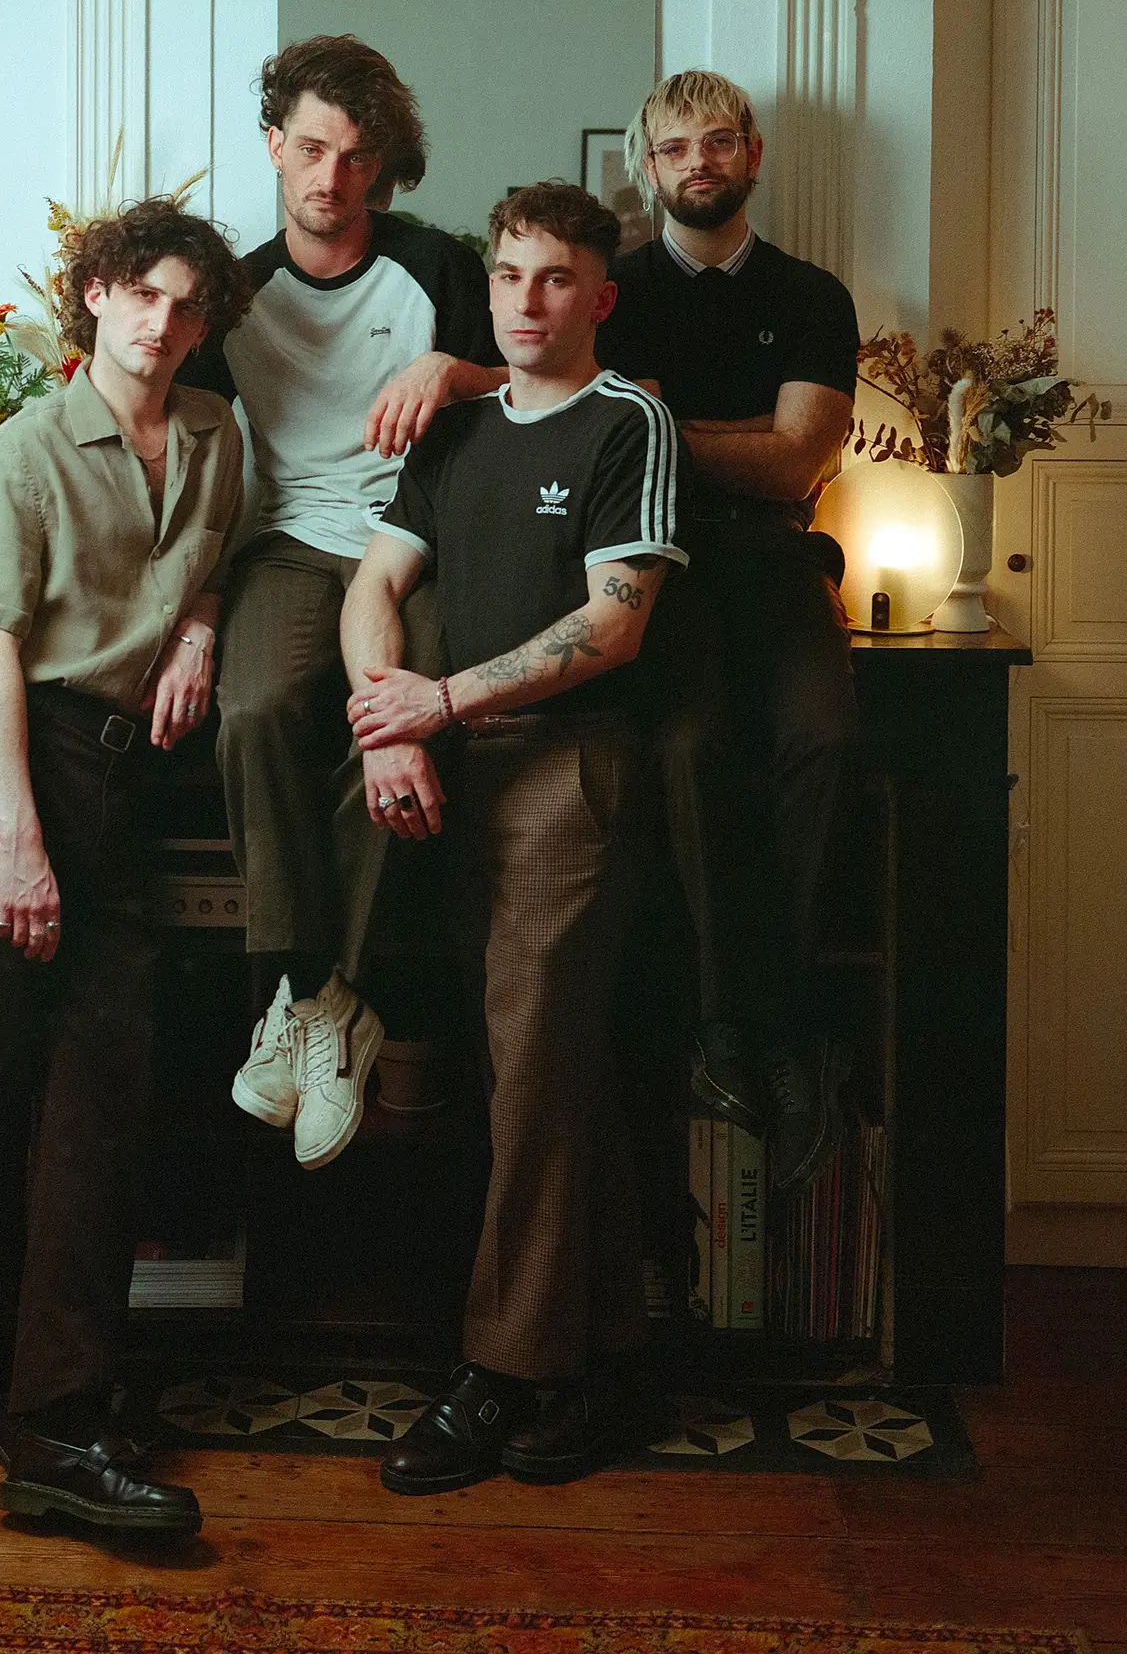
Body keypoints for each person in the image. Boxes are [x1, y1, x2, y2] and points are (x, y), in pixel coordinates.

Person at [341, 183, 687, 1493]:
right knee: (526, 1077)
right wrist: (387, 726)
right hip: (444, 771)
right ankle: (604, 1365)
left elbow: (614, 624)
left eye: (554, 278)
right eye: (507, 275)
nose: (526, 300)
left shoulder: (629, 419)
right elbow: (375, 583)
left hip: (566, 772)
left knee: (537, 1083)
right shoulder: (458, 427)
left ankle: (501, 1373)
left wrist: (439, 702)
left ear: (599, 296)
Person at [0, 198, 251, 1533]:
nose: (162, 323)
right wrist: (18, 842)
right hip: (4, 759)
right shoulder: (28, 448)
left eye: (186, 304)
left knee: (102, 1079)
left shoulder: (216, 435)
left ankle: (45, 1395)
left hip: (112, 772)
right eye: (141, 294)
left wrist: (201, 634)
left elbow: (211, 565)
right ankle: (39, 1412)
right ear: (96, 296)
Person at [213, 35, 499, 1171]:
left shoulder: (440, 269)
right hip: (289, 540)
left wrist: (456, 371)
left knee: (396, 719)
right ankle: (319, 997)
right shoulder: (232, 293)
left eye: (356, 155)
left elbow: (548, 380)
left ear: (383, 164)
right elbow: (182, 451)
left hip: (416, 540)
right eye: (312, 149)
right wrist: (191, 617)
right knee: (253, 709)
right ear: (274, 146)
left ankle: (322, 1000)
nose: (331, 177)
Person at [596, 70, 861, 1193]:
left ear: (751, 154)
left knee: (823, 741)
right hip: (661, 563)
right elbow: (618, 442)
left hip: (779, 559)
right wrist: (746, 426)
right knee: (688, 749)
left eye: (716, 142)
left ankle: (781, 1023)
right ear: (645, 167)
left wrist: (669, 420)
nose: (696, 163)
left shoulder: (813, 296)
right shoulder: (612, 290)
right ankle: (716, 1028)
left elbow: (798, 463)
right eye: (673, 148)